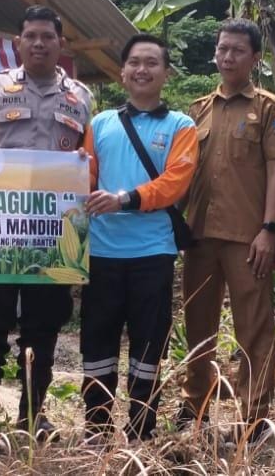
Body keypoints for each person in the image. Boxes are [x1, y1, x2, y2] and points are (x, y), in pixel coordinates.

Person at [0, 5, 94, 443]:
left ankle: (33, 413)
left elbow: (89, 159)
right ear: (17, 42)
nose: (39, 44)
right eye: (30, 36)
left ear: (61, 44)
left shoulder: (80, 97)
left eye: (47, 37)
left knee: (44, 325)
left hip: (55, 235)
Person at [79, 34, 197, 442]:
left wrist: (124, 199)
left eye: (151, 63)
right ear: (122, 72)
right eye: (134, 62)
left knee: (149, 343)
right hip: (102, 252)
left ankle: (142, 428)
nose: (141, 69)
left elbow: (175, 182)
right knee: (97, 339)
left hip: (153, 253)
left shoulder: (181, 126)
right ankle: (96, 428)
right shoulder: (99, 124)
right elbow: (85, 178)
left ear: (166, 73)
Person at [178, 19, 275, 444]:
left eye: (238, 50)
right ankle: (195, 406)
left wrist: (269, 228)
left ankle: (255, 416)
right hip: (200, 235)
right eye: (223, 49)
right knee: (197, 323)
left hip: (248, 237)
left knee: (254, 328)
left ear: (255, 57)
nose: (228, 57)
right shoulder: (197, 110)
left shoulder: (269, 108)